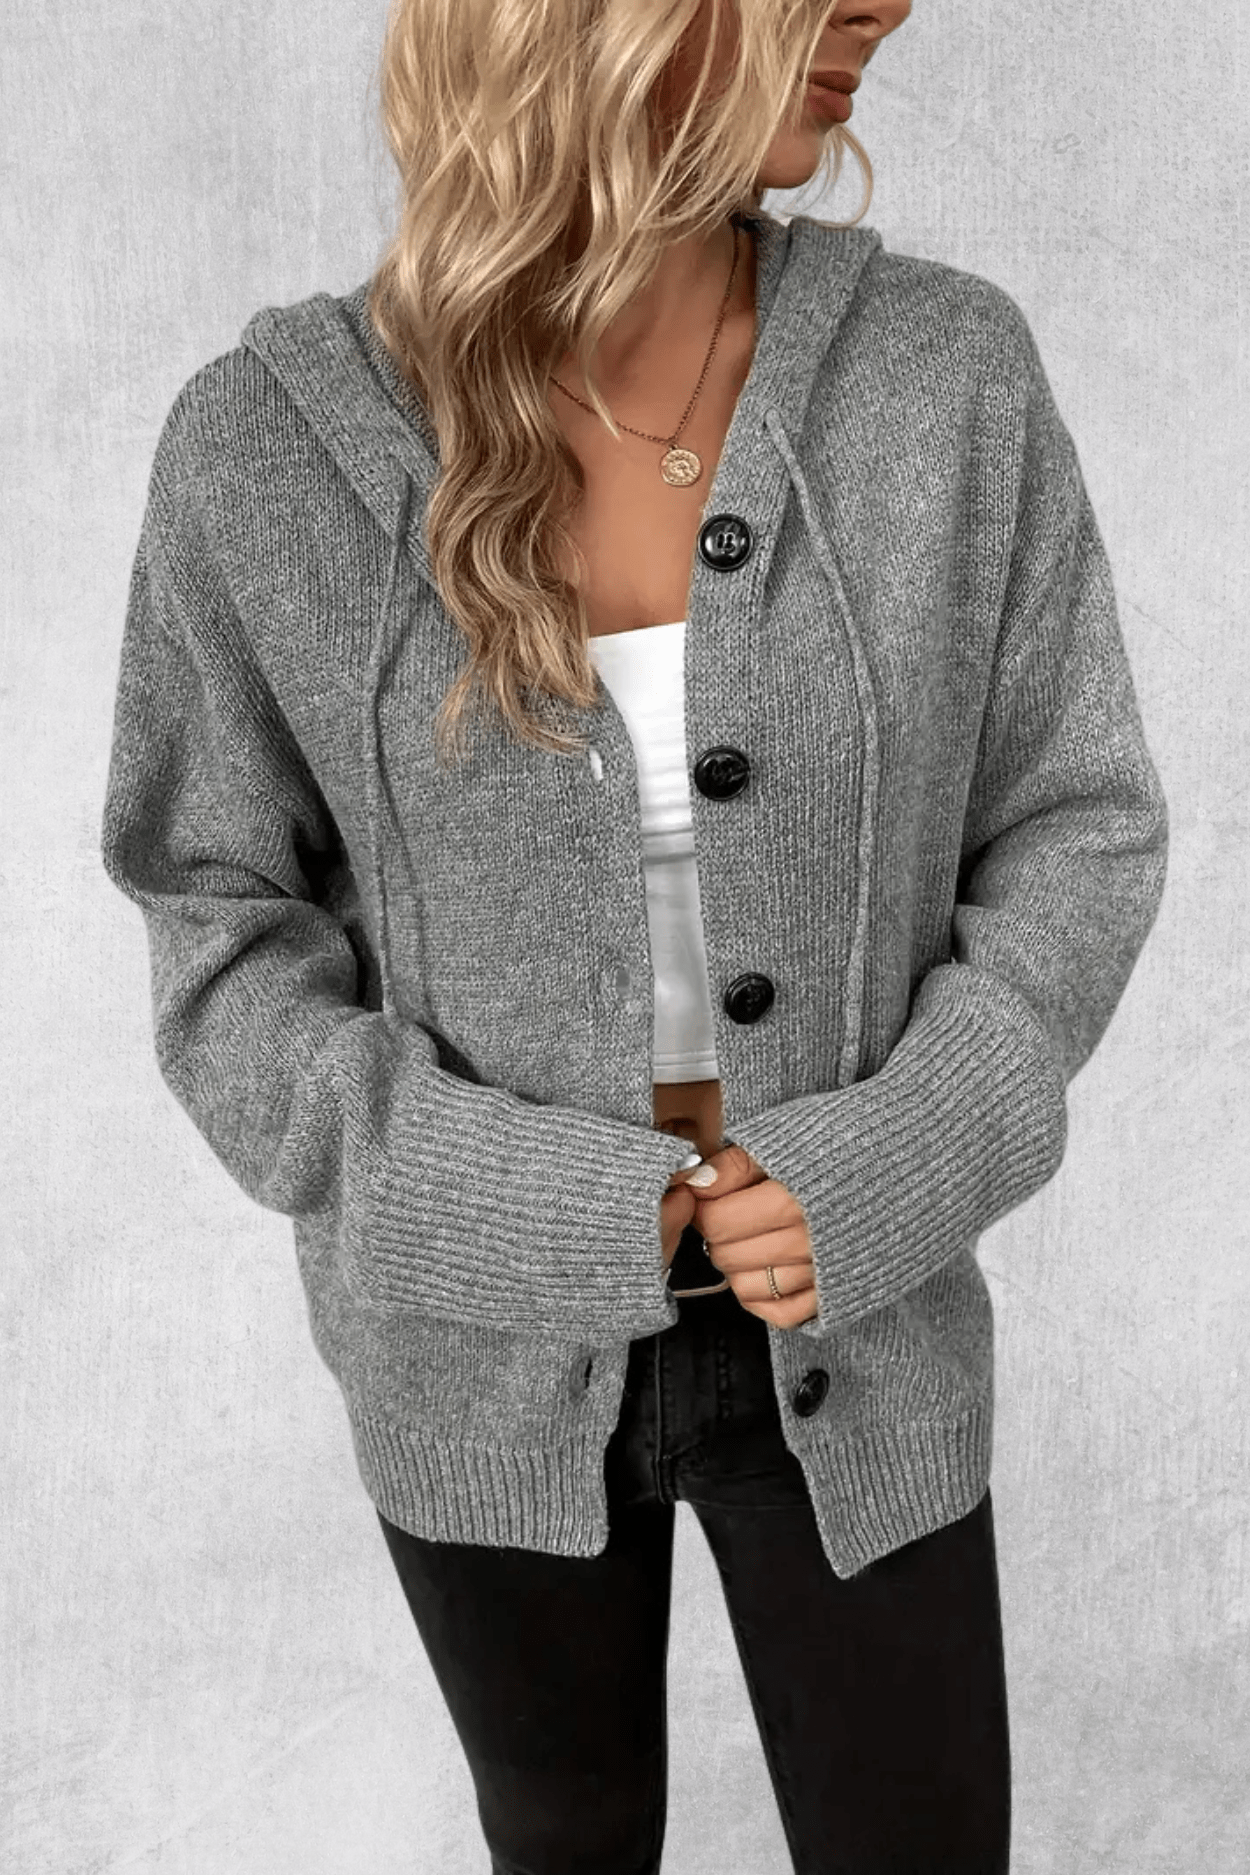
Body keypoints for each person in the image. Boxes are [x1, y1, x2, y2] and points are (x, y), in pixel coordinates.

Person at [99, 1, 1168, 1869]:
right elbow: (218, 922)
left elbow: (1078, 824)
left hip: (865, 1315)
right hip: (470, 1344)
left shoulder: (943, 380)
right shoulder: (268, 447)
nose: (885, 5)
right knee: (564, 1839)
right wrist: (505, 1195)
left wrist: (904, 1149)